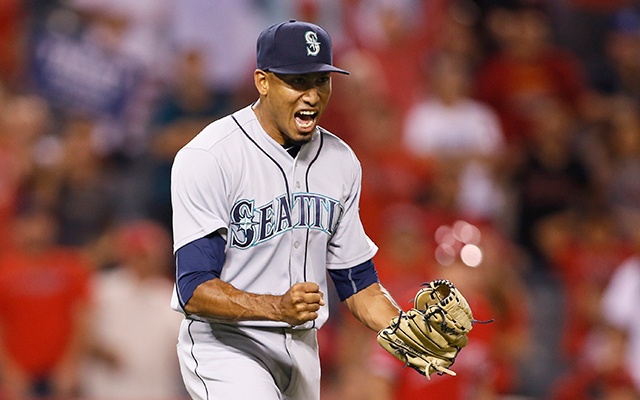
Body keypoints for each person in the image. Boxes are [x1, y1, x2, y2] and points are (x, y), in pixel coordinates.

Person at [170, 20, 404, 400]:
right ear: (262, 82)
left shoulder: (341, 161)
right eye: (297, 82)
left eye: (320, 81)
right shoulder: (210, 155)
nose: (312, 95)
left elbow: (357, 283)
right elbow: (193, 288)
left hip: (303, 348)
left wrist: (404, 328)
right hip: (228, 345)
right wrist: (276, 307)